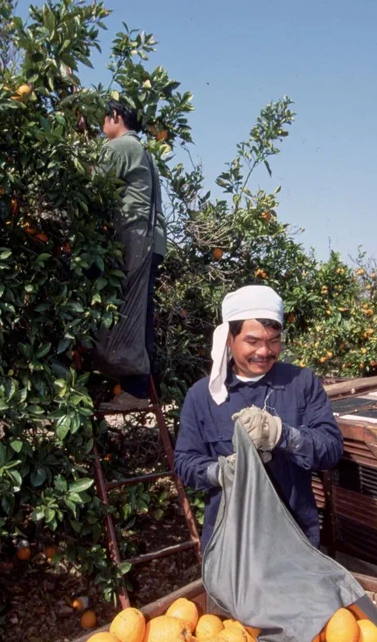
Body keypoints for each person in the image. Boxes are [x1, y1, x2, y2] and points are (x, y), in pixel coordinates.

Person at [174, 285, 344, 552]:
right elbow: (185, 462)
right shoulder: (202, 396)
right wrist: (221, 472)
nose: (264, 352)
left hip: (295, 538)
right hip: (231, 543)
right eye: (253, 341)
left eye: (273, 340)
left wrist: (284, 435)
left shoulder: (301, 383)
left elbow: (331, 450)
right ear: (230, 338)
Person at [98, 99, 167, 410]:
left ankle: (135, 390)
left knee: (128, 312)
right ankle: (141, 386)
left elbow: (92, 184)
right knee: (142, 312)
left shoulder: (120, 146)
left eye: (103, 119)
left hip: (135, 237)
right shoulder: (143, 151)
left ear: (115, 117)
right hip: (152, 240)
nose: (101, 127)